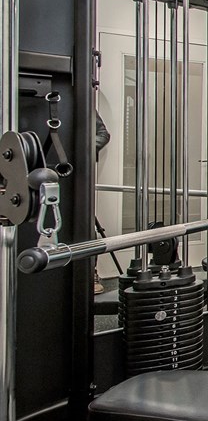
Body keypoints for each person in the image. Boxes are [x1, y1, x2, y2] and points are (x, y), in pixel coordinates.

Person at [95, 112, 110, 294]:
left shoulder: (82, 102)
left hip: (70, 173)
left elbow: (102, 134)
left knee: (84, 229)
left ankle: (90, 272)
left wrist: (79, 151)